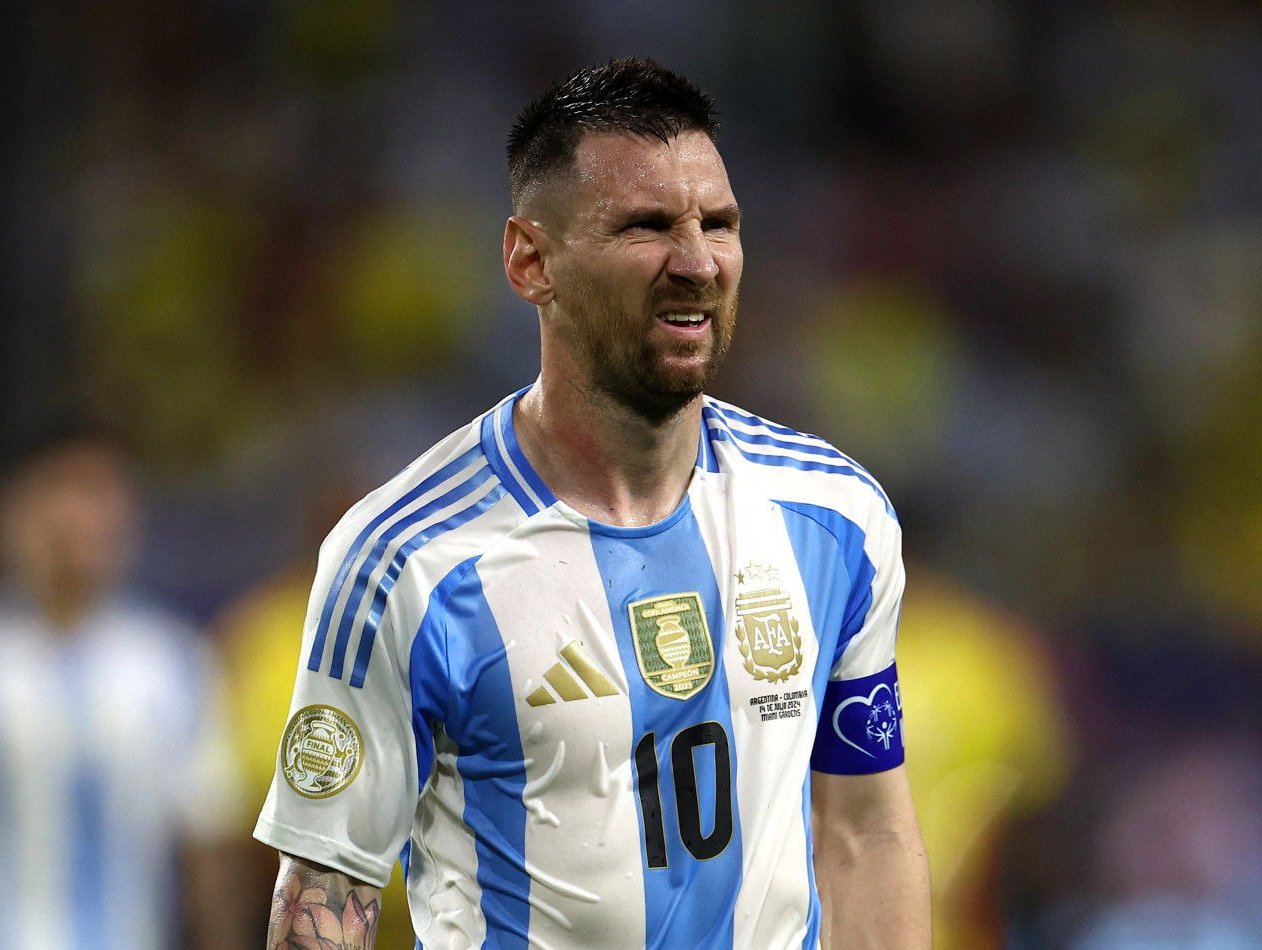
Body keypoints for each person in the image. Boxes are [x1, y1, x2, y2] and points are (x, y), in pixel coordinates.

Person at [256, 58, 931, 949]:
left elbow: (865, 831)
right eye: (646, 227)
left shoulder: (836, 516)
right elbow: (324, 894)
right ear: (531, 261)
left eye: (719, 224)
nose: (697, 262)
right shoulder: (405, 559)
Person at [0, 427, 249, 950]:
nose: (84, 516)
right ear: (12, 510)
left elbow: (208, 847)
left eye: (105, 493)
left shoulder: (170, 660)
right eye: (64, 489)